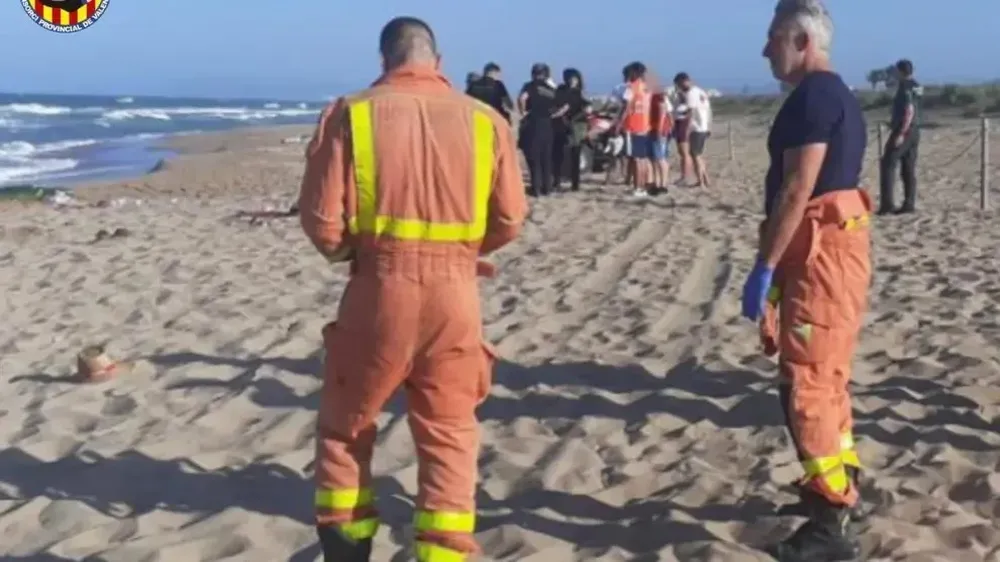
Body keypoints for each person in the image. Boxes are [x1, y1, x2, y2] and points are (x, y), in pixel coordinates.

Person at [298, 16, 527, 562]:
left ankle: (348, 549)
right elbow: (512, 218)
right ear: (438, 62)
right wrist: (463, 252)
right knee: (449, 435)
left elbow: (322, 220)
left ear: (384, 61)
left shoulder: (350, 114)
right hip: (456, 295)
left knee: (345, 427)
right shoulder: (486, 120)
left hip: (379, 287)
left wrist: (353, 253)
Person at [742, 1, 871, 560]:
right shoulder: (834, 94)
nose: (765, 49)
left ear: (801, 40)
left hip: (822, 256)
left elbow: (800, 188)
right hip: (829, 252)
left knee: (808, 383)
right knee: (828, 378)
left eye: (773, 38)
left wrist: (765, 265)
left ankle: (831, 520)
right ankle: (836, 487)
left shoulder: (815, 97)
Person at [878, 58, 922, 215]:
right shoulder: (917, 86)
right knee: (908, 167)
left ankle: (887, 204)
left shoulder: (905, 86)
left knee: (888, 163)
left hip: (905, 129)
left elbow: (909, 109)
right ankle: (909, 203)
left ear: (901, 71)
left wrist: (901, 132)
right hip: (915, 129)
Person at [518, 63, 559, 197]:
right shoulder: (551, 89)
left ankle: (536, 189)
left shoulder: (529, 86)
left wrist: (523, 112)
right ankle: (547, 188)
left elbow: (522, 98)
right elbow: (558, 106)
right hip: (548, 124)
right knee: (547, 157)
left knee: (534, 158)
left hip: (533, 123)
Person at [616, 62, 653, 197]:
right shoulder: (646, 88)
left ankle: (638, 187)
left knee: (637, 159)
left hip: (633, 126)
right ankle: (642, 186)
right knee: (642, 159)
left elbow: (625, 108)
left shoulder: (631, 88)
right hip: (645, 126)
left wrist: (618, 124)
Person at [552, 68, 590, 191]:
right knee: (558, 154)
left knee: (575, 154)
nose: (572, 81)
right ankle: (556, 181)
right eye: (570, 78)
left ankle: (575, 184)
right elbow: (556, 104)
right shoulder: (560, 90)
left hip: (577, 126)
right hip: (561, 125)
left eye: (574, 78)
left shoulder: (580, 93)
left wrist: (587, 109)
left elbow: (587, 106)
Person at [674, 72, 713, 187]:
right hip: (703, 126)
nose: (679, 87)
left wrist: (686, 130)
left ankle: (701, 181)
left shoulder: (691, 94)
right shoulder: (700, 91)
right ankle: (705, 179)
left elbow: (690, 112)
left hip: (696, 127)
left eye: (679, 84)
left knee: (695, 155)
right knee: (698, 154)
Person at [648, 87, 674, 191]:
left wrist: (659, 130)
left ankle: (663, 184)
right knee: (655, 159)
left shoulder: (658, 99)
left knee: (660, 158)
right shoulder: (654, 98)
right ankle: (657, 183)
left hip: (659, 131)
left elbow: (662, 114)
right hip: (656, 130)